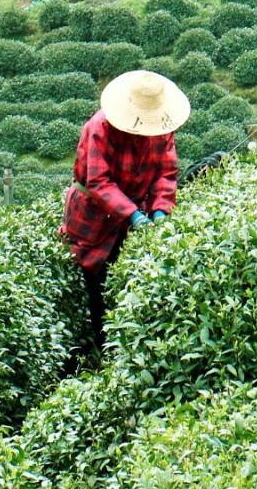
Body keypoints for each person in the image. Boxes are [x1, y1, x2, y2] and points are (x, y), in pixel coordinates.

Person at [60, 70, 187, 354]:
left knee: (134, 280)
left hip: (135, 213)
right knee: (96, 283)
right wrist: (133, 215)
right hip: (94, 216)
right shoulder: (100, 128)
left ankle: (131, 350)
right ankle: (105, 352)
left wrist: (160, 210)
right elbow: (99, 181)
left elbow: (166, 173)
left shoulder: (162, 128)